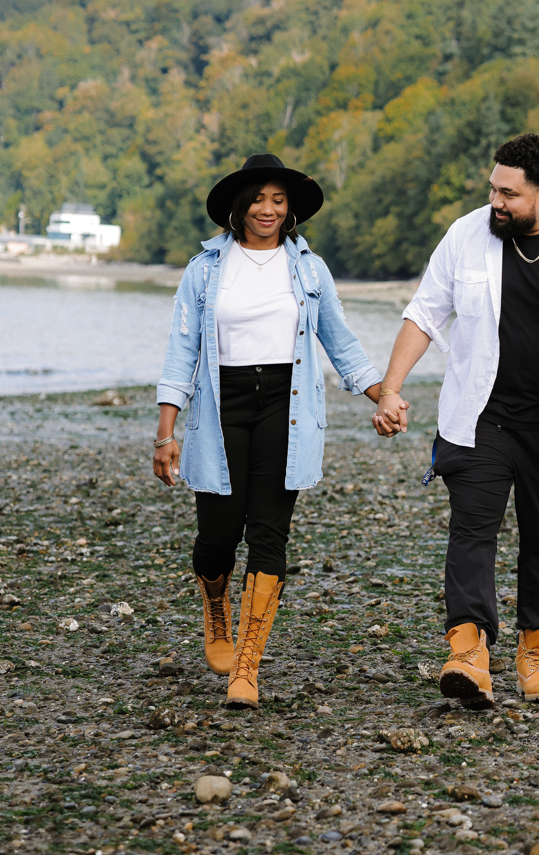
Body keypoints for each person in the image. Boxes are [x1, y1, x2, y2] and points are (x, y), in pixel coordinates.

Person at [372, 134, 539, 707]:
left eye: (507, 194)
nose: (495, 201)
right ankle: (468, 651)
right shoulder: (465, 235)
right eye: (492, 188)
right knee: (472, 530)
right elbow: (425, 312)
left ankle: (535, 652)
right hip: (478, 417)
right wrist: (390, 388)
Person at [154, 153, 382, 708]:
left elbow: (340, 341)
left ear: (291, 210)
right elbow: (182, 350)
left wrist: (383, 393)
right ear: (238, 206)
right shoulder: (204, 269)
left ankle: (248, 669)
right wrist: (166, 432)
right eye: (258, 199)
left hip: (288, 405)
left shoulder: (308, 269)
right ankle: (215, 605)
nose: (268, 210)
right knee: (216, 539)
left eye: (279, 201)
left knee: (269, 536)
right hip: (221, 408)